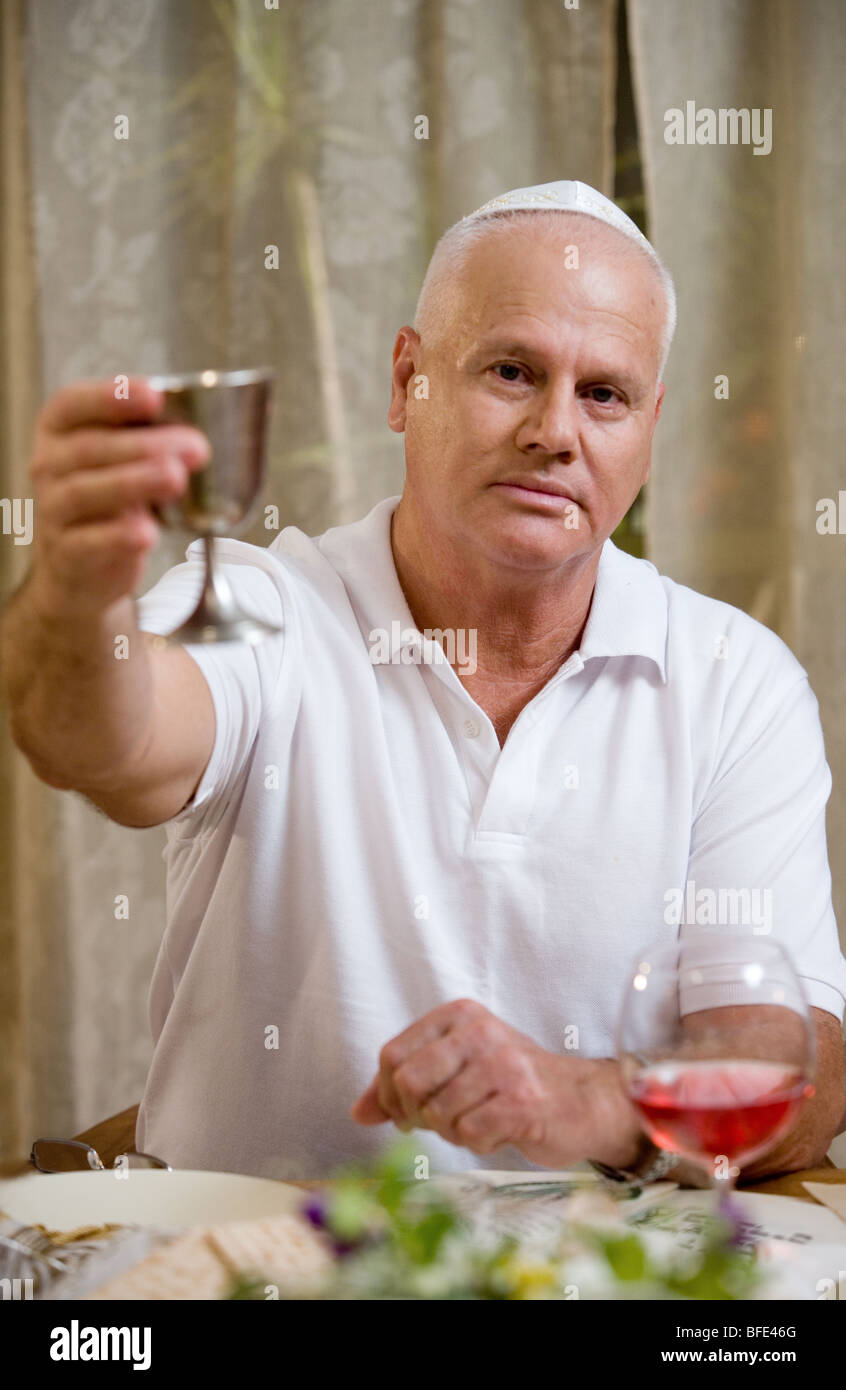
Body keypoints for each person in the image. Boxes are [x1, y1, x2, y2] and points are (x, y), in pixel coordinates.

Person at [3, 181, 845, 1182]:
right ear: (408, 381)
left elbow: (797, 1068)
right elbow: (105, 743)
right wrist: (74, 589)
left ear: (651, 428)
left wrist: (581, 1099)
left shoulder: (734, 680)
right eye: (511, 370)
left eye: (604, 394)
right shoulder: (271, 604)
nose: (555, 430)